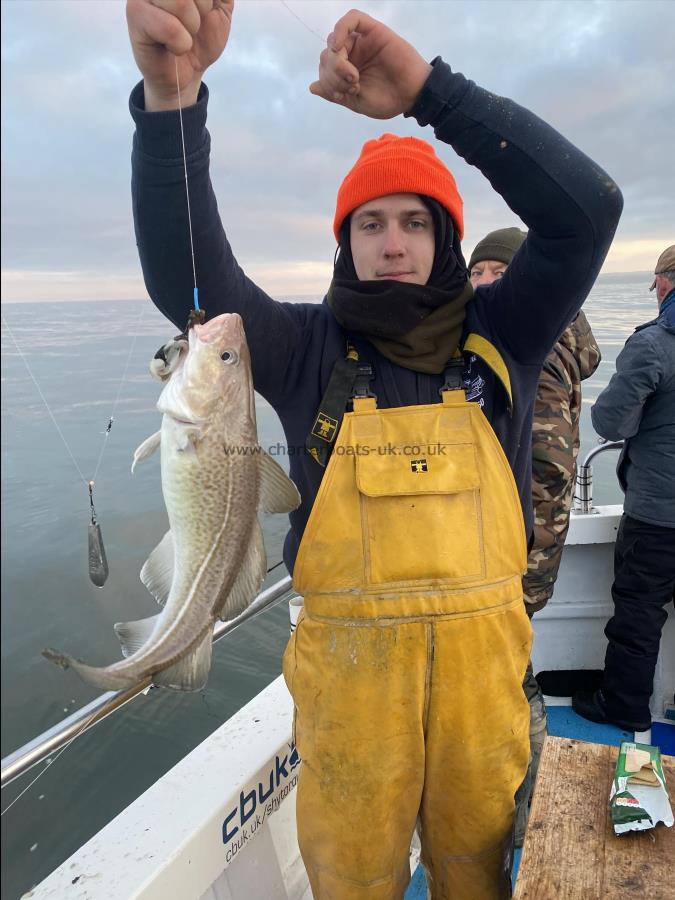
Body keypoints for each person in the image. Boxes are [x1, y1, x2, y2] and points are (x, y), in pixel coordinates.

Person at [126, 2, 622, 896]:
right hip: (350, 700)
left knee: (476, 870)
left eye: (415, 222)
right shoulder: (302, 348)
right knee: (352, 879)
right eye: (369, 225)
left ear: (443, 240)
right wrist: (173, 102)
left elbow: (588, 212)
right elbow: (187, 281)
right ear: (345, 244)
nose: (392, 243)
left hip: (484, 698)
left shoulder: (503, 333)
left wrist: (435, 95)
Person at [468, 227, 601, 843]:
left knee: (510, 680)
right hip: (524, 543)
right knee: (509, 673)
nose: (483, 286)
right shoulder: (540, 334)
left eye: (496, 273)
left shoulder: (539, 344)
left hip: (517, 549)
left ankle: (529, 809)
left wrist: (515, 550)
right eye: (476, 274)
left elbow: (546, 460)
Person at [573, 246, 675, 733]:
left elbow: (610, 420)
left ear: (665, 282)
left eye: (656, 281)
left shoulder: (654, 344)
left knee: (638, 611)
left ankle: (626, 707)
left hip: (658, 514)